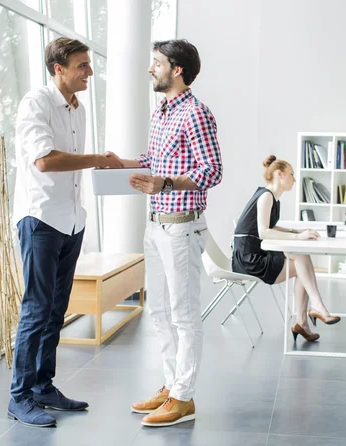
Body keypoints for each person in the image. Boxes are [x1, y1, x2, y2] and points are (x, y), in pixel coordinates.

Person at [9, 37, 124, 427]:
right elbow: (44, 161)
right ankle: (19, 396)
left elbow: (76, 164)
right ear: (58, 68)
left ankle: (43, 386)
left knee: (56, 309)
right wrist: (98, 159)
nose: (89, 72)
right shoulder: (35, 103)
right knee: (37, 309)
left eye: (88, 64)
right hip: (41, 220)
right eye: (82, 65)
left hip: (72, 221)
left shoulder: (79, 108)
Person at [121, 39, 223, 427]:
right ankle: (170, 385)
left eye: (157, 63)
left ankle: (184, 397)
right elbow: (153, 160)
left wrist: (164, 184)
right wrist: (121, 164)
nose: (151, 68)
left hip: (181, 228)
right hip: (155, 226)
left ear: (177, 69)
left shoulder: (197, 114)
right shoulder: (161, 111)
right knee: (160, 312)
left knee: (184, 316)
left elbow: (211, 171)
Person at [232, 156, 340, 343]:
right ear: (279, 174)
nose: (294, 179)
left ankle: (304, 320)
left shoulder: (271, 197)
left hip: (255, 253)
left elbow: (270, 226)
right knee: (301, 261)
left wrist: (296, 231)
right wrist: (298, 237)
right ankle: (312, 310)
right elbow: (264, 231)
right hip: (249, 260)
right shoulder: (266, 196)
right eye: (291, 174)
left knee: (301, 262)